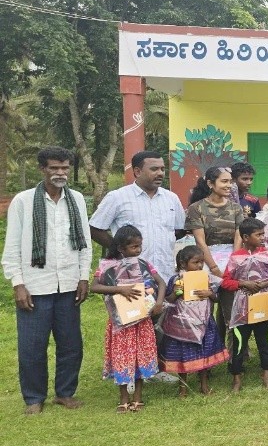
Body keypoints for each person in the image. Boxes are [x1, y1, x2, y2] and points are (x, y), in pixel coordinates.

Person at [2, 146, 92, 415]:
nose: (60, 173)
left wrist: (84, 277)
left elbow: (85, 244)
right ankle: (33, 398)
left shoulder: (76, 199)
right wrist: (18, 283)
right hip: (35, 285)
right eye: (54, 168)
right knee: (32, 346)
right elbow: (13, 246)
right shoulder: (24, 201)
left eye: (64, 167)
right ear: (43, 169)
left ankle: (64, 393)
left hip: (68, 283)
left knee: (71, 344)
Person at [90, 225, 166, 412]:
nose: (138, 250)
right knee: (122, 357)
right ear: (121, 248)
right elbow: (95, 286)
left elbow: (161, 283)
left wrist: (159, 302)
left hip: (142, 321)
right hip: (121, 324)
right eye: (133, 247)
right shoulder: (108, 266)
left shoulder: (144, 264)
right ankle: (123, 398)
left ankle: (138, 398)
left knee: (141, 356)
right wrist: (120, 289)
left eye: (139, 246)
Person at [90, 150, 186, 281]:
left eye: (162, 169)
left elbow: (179, 231)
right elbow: (94, 229)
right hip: (129, 274)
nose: (160, 173)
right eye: (154, 169)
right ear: (137, 171)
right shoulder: (117, 197)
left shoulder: (171, 198)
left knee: (163, 302)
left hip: (165, 272)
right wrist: (120, 250)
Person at [219, 218, 268, 392]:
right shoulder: (236, 257)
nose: (262, 237)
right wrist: (243, 284)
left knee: (266, 341)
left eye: (263, 234)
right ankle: (236, 377)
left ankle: (266, 374)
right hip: (242, 307)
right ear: (245, 237)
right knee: (239, 342)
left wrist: (263, 284)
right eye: (258, 234)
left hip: (264, 304)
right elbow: (226, 282)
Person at [159, 245, 228, 396]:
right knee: (183, 354)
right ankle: (183, 388)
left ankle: (204, 385)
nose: (199, 265)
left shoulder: (206, 278)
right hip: (183, 324)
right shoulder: (176, 279)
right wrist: (177, 293)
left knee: (204, 352)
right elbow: (168, 299)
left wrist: (209, 293)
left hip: (203, 321)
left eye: (201, 262)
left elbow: (216, 299)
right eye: (195, 262)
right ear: (184, 264)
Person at [185, 166, 244, 340]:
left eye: (230, 181)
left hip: (231, 262)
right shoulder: (197, 209)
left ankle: (237, 357)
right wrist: (214, 268)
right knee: (203, 311)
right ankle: (205, 354)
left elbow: (238, 237)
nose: (229, 185)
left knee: (232, 311)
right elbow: (200, 241)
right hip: (205, 262)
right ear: (211, 183)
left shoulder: (236, 208)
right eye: (224, 181)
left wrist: (231, 265)